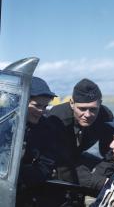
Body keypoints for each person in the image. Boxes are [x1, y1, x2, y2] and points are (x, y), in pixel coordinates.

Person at [47, 78, 114, 194]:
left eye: (93, 109)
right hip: (56, 159)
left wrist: (100, 173)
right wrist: (93, 182)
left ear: (100, 103)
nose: (88, 115)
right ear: (72, 103)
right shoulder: (58, 118)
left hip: (77, 155)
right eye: (82, 109)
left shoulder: (105, 116)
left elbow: (110, 153)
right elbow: (63, 163)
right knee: (93, 183)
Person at [16, 76, 61, 206]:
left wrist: (22, 180)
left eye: (45, 106)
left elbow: (46, 164)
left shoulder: (47, 129)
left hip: (24, 189)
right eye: (37, 105)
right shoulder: (5, 123)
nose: (41, 111)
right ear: (22, 101)